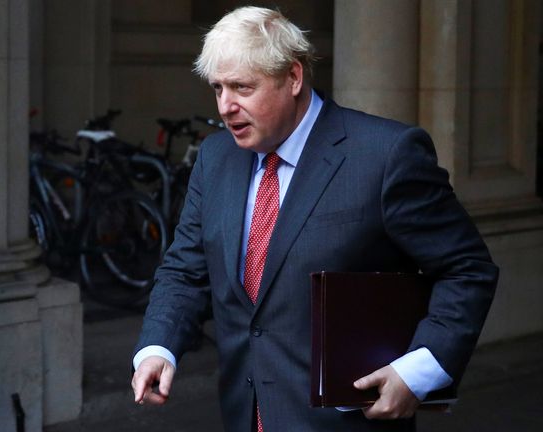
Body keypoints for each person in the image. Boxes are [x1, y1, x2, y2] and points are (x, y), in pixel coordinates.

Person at [130, 6, 498, 432]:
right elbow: (185, 270)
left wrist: (419, 370)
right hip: (244, 417)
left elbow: (468, 270)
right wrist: (159, 346)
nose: (226, 106)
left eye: (242, 88)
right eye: (217, 88)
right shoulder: (215, 159)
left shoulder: (385, 155)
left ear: (293, 78)